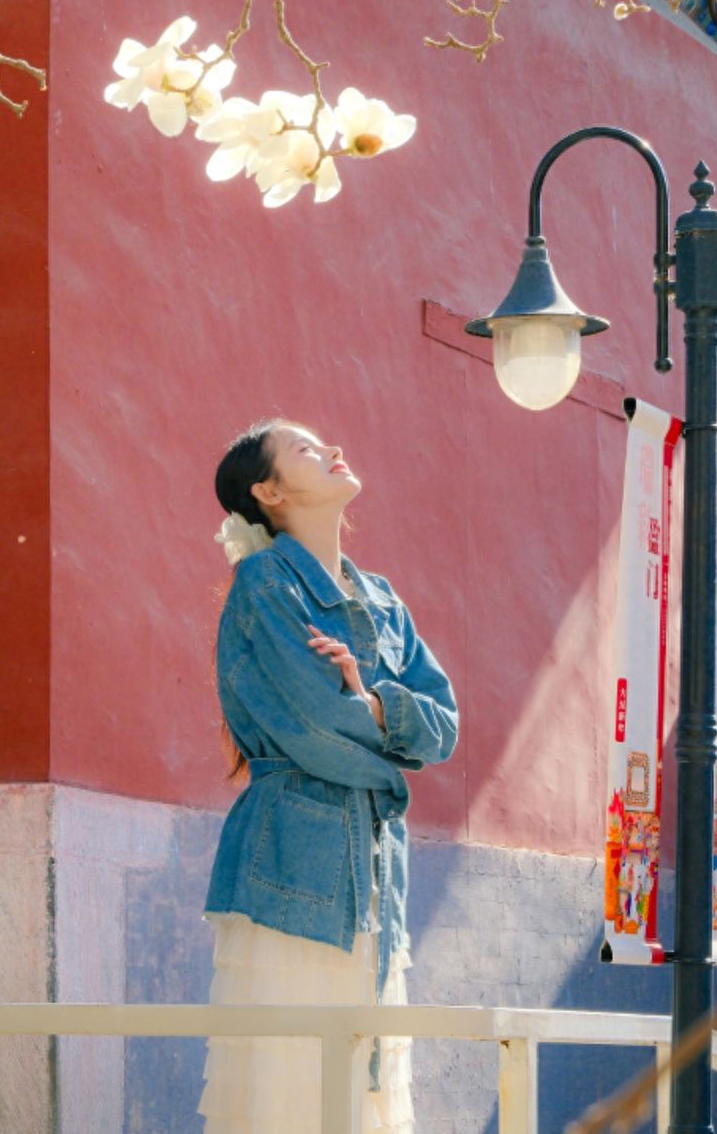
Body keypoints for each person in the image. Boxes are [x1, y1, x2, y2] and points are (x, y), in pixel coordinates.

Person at [199, 418, 458, 1134]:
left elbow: (445, 725)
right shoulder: (264, 582)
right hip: (293, 874)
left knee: (365, 1101)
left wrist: (372, 700)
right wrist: (392, 761)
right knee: (288, 1098)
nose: (334, 448)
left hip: (377, 884)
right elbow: (311, 725)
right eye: (306, 449)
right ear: (269, 490)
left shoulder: (381, 599)